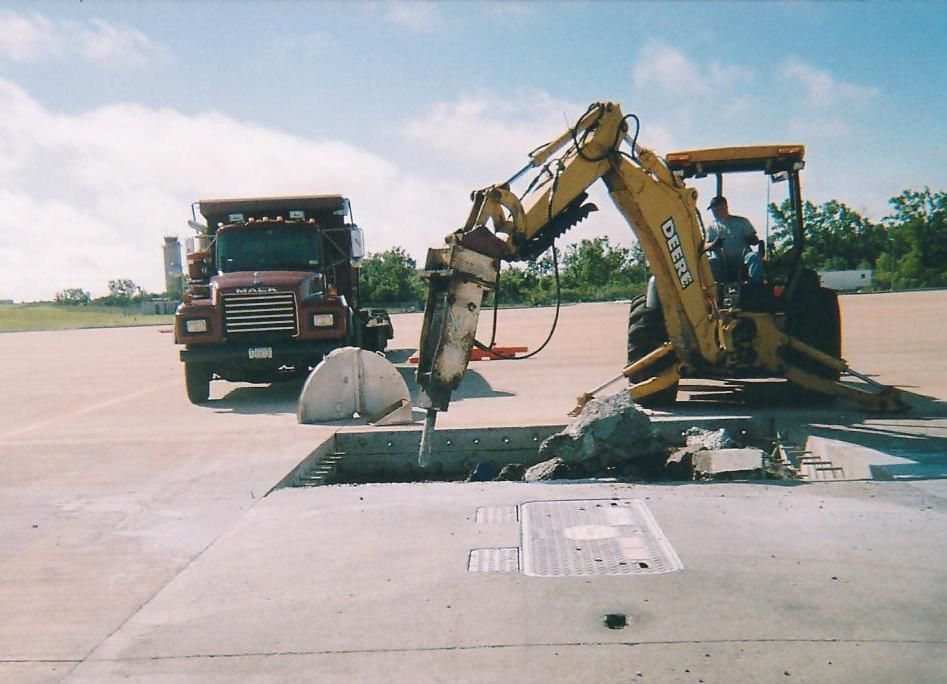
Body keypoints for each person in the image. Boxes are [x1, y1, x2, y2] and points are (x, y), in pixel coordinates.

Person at [704, 195, 765, 283]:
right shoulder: (711, 227)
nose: (715, 212)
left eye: (717, 209)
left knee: (754, 256)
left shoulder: (742, 222)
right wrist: (713, 244)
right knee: (711, 262)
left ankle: (755, 286)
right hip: (722, 261)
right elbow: (705, 246)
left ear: (725, 207)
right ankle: (714, 288)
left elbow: (754, 241)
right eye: (713, 210)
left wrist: (751, 238)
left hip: (743, 259)